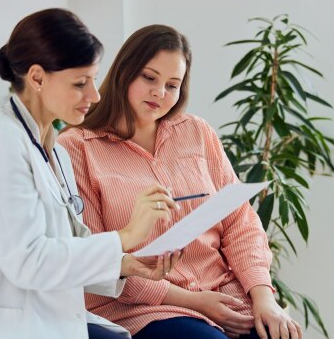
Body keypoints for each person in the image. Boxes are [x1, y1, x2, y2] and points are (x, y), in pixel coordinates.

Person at [0, 9, 183, 339]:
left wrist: (125, 263)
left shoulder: (56, 151)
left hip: (48, 321)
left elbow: (70, 246)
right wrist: (127, 236)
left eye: (93, 79)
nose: (95, 95)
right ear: (37, 78)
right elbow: (29, 261)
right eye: (80, 83)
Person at [58, 24, 303, 339]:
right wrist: (195, 302)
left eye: (172, 84)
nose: (160, 93)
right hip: (144, 306)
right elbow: (95, 255)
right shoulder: (77, 147)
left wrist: (264, 297)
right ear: (124, 72)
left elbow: (240, 222)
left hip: (222, 291)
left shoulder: (197, 132)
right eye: (149, 77)